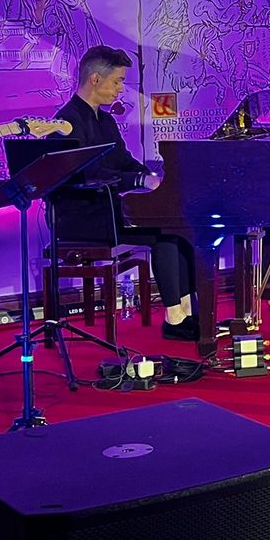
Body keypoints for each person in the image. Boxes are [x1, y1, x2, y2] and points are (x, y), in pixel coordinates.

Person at [52, 46, 199, 340]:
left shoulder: (105, 121)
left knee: (179, 227)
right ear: (95, 79)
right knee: (164, 233)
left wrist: (153, 177)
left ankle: (187, 313)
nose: (121, 89)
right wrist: (139, 180)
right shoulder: (66, 122)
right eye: (117, 81)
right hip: (80, 216)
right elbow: (88, 174)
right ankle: (174, 319)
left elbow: (123, 161)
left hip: (106, 208)